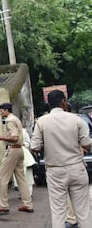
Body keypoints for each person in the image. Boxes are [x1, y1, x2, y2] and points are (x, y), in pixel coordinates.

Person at [31, 90, 91, 228]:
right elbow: (87, 145)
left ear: (49, 103)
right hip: (77, 168)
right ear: (64, 102)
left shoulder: (41, 122)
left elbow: (34, 147)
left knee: (58, 212)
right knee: (83, 212)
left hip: (55, 170)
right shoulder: (76, 119)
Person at [0, 103, 34, 214]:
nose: (0, 113)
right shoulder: (16, 119)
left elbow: (14, 137)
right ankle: (27, 204)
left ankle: (3, 205)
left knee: (1, 178)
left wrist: (0, 137)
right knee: (21, 179)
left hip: (13, 150)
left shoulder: (9, 121)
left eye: (1, 111)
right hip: (20, 150)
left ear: (5, 110)